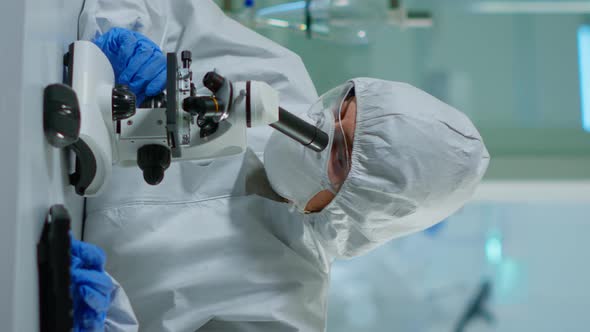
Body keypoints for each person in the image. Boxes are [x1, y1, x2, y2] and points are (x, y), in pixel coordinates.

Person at [78, 1, 490, 331]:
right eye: (342, 109)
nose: (318, 129)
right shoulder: (276, 74)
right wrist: (126, 42)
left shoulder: (285, 310)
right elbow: (165, 9)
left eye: (339, 157)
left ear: (356, 213)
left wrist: (101, 319)